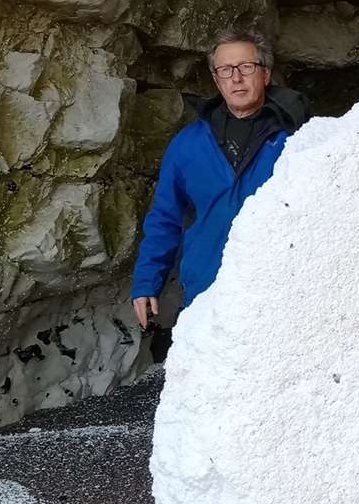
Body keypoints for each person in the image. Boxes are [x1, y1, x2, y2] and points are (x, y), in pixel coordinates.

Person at [130, 27, 310, 328]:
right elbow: (164, 216)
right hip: (206, 289)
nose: (236, 78)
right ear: (216, 80)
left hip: (280, 289)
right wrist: (147, 281)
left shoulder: (299, 136)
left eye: (246, 67)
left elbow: (355, 145)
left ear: (265, 74)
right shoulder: (188, 144)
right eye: (226, 70)